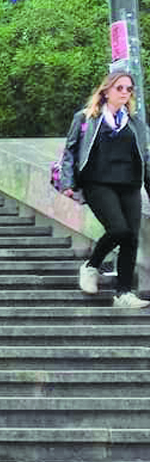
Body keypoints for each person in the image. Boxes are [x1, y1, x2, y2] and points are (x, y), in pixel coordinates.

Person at [60, 70, 150, 308]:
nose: (124, 93)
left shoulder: (135, 123)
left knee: (131, 237)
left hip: (129, 184)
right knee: (118, 229)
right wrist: (67, 183)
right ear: (106, 90)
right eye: (119, 88)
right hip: (97, 183)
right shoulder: (85, 118)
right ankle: (91, 266)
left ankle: (123, 293)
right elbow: (69, 151)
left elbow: (146, 158)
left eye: (129, 89)